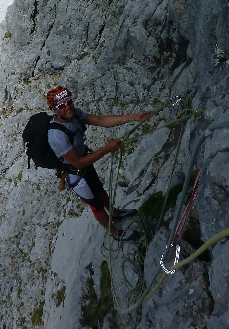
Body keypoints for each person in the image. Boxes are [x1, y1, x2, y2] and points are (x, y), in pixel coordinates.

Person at [46, 86, 151, 242]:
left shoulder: (73, 115)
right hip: (75, 174)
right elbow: (78, 163)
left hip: (84, 166)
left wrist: (134, 117)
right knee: (96, 204)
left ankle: (115, 213)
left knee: (100, 191)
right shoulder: (56, 135)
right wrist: (107, 149)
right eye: (62, 105)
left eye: (69, 102)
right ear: (55, 110)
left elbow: (101, 121)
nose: (67, 107)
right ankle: (115, 233)